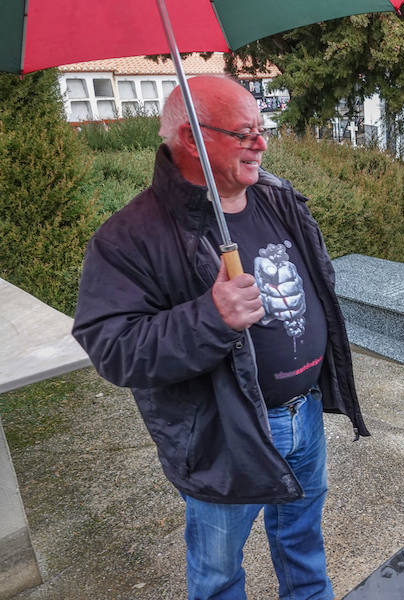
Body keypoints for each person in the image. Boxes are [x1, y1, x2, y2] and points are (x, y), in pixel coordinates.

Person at [72, 76, 368, 600]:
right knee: (217, 575)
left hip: (305, 415)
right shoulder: (130, 236)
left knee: (303, 544)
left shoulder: (276, 198)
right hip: (223, 438)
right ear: (191, 139)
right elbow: (112, 347)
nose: (262, 142)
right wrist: (211, 317)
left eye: (262, 128)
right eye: (245, 132)